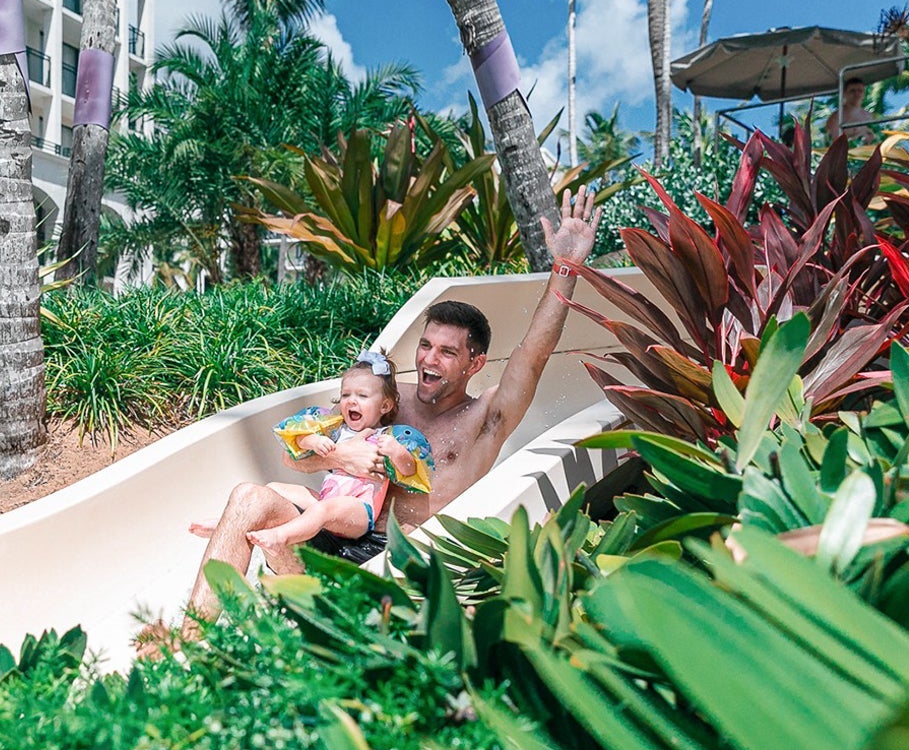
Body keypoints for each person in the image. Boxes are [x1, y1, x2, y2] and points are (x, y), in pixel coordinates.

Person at [141, 188, 602, 654]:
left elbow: (534, 355)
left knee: (292, 542)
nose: (429, 359)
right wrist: (339, 455)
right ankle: (188, 640)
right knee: (248, 497)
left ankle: (292, 611)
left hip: (397, 563)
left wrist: (565, 269)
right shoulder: (384, 398)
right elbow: (297, 452)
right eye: (426, 345)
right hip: (329, 535)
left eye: (447, 352)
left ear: (474, 364)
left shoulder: (486, 416)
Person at [193, 351, 423, 553]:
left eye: (362, 396)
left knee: (323, 510)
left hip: (358, 512)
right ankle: (231, 523)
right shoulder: (334, 430)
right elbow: (294, 439)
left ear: (385, 405)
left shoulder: (387, 437)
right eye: (346, 395)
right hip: (326, 501)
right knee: (272, 489)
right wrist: (312, 441)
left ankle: (281, 536)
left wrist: (397, 452)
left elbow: (409, 470)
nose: (352, 401)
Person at [825, 78, 875, 144]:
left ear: (864, 94)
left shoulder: (869, 116)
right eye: (852, 91)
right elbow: (835, 142)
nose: (856, 93)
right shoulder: (836, 117)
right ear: (845, 94)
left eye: (860, 91)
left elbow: (874, 137)